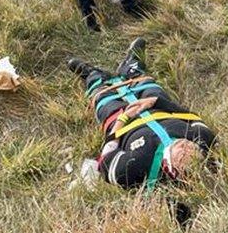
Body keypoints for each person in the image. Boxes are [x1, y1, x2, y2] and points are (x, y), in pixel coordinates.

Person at [68, 38, 217, 190]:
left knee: (104, 100)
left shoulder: (132, 169)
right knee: (148, 86)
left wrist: (122, 119)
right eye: (194, 150)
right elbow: (191, 117)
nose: (187, 147)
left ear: (171, 169)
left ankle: (92, 76)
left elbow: (106, 159)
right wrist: (157, 102)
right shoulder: (204, 139)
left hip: (123, 123)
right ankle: (132, 65)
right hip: (156, 108)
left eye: (183, 156)